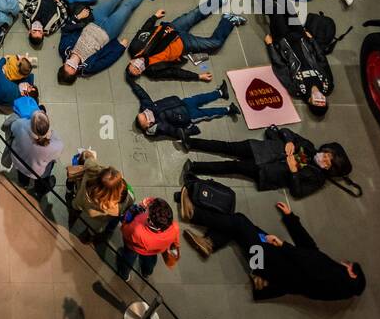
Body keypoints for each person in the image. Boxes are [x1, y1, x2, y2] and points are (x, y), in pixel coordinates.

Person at [180, 194, 366, 303]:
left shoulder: (330, 274)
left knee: (238, 221)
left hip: (263, 260)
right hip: (263, 264)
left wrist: (282, 244)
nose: (344, 262)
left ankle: (193, 214)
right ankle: (209, 243)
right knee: (241, 230)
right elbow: (310, 248)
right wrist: (291, 218)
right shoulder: (331, 288)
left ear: (352, 274)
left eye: (349, 265)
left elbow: (307, 259)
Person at [182, 127, 352, 198]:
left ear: (330, 169)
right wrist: (289, 141)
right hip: (262, 149)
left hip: (265, 171)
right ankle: (191, 142)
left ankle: (195, 167)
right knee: (226, 146)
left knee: (231, 166)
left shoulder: (317, 179)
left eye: (328, 162)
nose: (324, 158)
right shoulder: (309, 147)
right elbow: (285, 131)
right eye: (327, 155)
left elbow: (298, 192)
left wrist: (293, 172)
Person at [125, 0, 245, 80]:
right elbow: (174, 73)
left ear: (131, 61)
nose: (137, 66)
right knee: (215, 44)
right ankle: (228, 20)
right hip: (183, 44)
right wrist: (198, 76)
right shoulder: (153, 71)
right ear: (141, 73)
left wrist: (154, 17)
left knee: (195, 14)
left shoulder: (134, 47)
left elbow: (144, 30)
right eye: (137, 71)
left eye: (133, 66)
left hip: (171, 29)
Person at [130, 78, 238, 138]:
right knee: (208, 113)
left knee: (201, 97)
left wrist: (133, 84)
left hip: (182, 102)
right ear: (148, 125)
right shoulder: (159, 126)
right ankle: (228, 110)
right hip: (188, 116)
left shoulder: (147, 107)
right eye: (146, 117)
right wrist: (188, 131)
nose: (148, 113)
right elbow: (173, 131)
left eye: (144, 113)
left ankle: (220, 93)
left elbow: (143, 95)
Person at [66, 157, 132, 240]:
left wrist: (89, 155)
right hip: (98, 219)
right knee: (94, 227)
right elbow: (126, 205)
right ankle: (87, 236)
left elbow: (89, 162)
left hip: (81, 202)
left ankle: (72, 217)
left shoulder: (91, 174)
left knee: (75, 207)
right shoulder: (117, 206)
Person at [2, 108, 64, 193]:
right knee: (42, 180)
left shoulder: (20, 125)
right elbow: (57, 155)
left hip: (19, 163)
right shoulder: (56, 145)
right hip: (38, 172)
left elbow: (12, 126)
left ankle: (24, 183)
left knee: (22, 176)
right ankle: (40, 190)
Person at [119, 196, 179, 280]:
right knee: (149, 262)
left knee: (128, 260)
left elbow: (125, 231)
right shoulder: (174, 227)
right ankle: (146, 272)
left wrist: (137, 210)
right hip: (154, 251)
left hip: (134, 248)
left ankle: (124, 275)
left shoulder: (137, 229)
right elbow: (175, 242)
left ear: (150, 220)